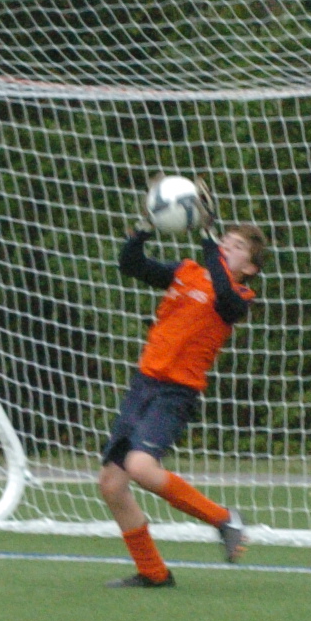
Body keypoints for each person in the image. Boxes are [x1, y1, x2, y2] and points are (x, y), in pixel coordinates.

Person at [99, 214, 267, 587]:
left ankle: (224, 519)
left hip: (175, 393)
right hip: (143, 385)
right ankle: (153, 573)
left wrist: (208, 241)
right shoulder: (186, 272)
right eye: (225, 240)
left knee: (141, 467)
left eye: (238, 246)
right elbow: (131, 265)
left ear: (250, 268)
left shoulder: (238, 297)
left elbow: (222, 291)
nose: (227, 245)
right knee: (111, 485)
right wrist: (144, 229)